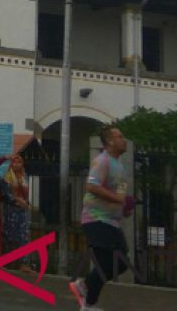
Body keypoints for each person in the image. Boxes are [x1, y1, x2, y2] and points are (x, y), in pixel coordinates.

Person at [68, 126, 135, 311]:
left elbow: (120, 194)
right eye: (120, 136)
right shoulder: (102, 161)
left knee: (120, 263)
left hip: (112, 221)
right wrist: (118, 199)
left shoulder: (120, 166)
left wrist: (124, 209)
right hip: (95, 219)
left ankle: (86, 292)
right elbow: (91, 186)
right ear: (110, 142)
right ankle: (88, 299)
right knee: (106, 262)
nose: (124, 140)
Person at [2, 152, 34, 271]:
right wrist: (17, 201)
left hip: (23, 210)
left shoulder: (24, 177)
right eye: (14, 162)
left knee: (24, 236)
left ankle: (24, 263)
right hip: (11, 210)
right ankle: (4, 261)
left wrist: (25, 203)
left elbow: (26, 194)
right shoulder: (7, 178)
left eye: (19, 162)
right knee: (8, 235)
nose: (16, 164)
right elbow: (7, 194)